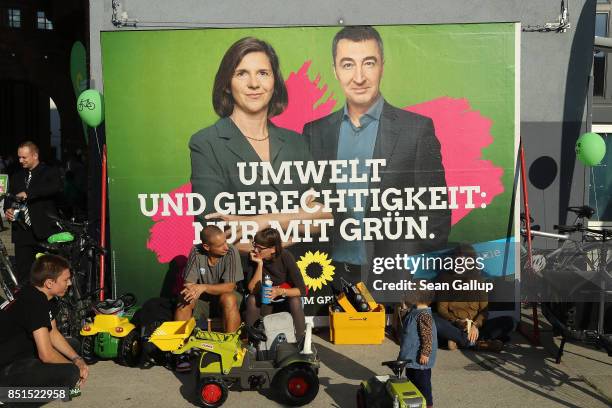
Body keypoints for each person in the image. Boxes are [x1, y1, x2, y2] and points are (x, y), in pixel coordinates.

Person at [302, 26, 451, 286]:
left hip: (393, 273)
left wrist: (411, 270)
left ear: (382, 65)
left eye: (368, 63)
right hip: (328, 273)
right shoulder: (315, 132)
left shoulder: (415, 129)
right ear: (334, 70)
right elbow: (304, 202)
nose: (359, 77)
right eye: (348, 64)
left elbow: (436, 211)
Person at [189, 36, 330, 253]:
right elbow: (217, 232)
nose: (254, 83)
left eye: (263, 73)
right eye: (241, 73)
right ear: (227, 84)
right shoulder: (206, 143)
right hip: (239, 278)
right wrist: (297, 221)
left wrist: (261, 220)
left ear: (275, 81)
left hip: (299, 275)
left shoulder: (296, 142)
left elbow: (324, 216)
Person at [0, 254, 88, 389]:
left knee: (73, 346)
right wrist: (75, 369)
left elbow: (52, 333)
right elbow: (46, 354)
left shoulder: (42, 295)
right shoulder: (36, 303)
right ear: (49, 283)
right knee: (70, 374)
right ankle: (9, 399)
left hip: (22, 353)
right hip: (7, 366)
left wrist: (78, 360)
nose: (69, 283)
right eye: (66, 280)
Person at [174, 225, 244, 371]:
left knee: (228, 298)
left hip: (225, 297)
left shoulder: (231, 252)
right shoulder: (196, 251)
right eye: (220, 245)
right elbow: (189, 283)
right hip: (203, 299)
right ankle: (181, 351)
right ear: (206, 246)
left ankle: (229, 348)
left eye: (225, 242)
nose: (226, 247)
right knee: (184, 298)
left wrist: (203, 287)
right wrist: (193, 290)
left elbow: (229, 286)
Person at [433, 244, 514, 352]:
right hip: (454, 325)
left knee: (508, 321)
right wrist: (457, 321)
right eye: (457, 262)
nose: (459, 265)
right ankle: (478, 343)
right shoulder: (445, 279)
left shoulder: (479, 280)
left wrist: (475, 325)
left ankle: (460, 341)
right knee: (433, 320)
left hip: (475, 327)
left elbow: (484, 311)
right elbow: (441, 309)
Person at [3, 141, 62, 284]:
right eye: (19, 157)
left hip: (44, 232)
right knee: (24, 276)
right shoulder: (16, 176)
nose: (20, 160)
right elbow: (9, 198)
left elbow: (54, 187)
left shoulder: (49, 172)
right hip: (22, 233)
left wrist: (28, 193)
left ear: (35, 155)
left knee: (48, 276)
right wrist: (8, 210)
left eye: (24, 157)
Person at [245, 227, 307, 340]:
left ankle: (301, 341)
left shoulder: (285, 256)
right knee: (252, 299)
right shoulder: (253, 257)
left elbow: (302, 290)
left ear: (273, 249)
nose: (255, 250)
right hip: (264, 303)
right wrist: (259, 264)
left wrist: (280, 291)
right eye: (255, 245)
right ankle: (253, 342)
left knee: (295, 300)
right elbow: (252, 289)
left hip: (284, 300)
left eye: (260, 248)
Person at [398, 284, 437, 408]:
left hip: (419, 361)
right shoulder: (415, 312)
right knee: (412, 383)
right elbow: (406, 323)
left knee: (423, 385)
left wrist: (425, 352)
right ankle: (416, 404)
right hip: (411, 358)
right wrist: (404, 309)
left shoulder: (423, 315)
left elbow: (427, 336)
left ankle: (427, 405)